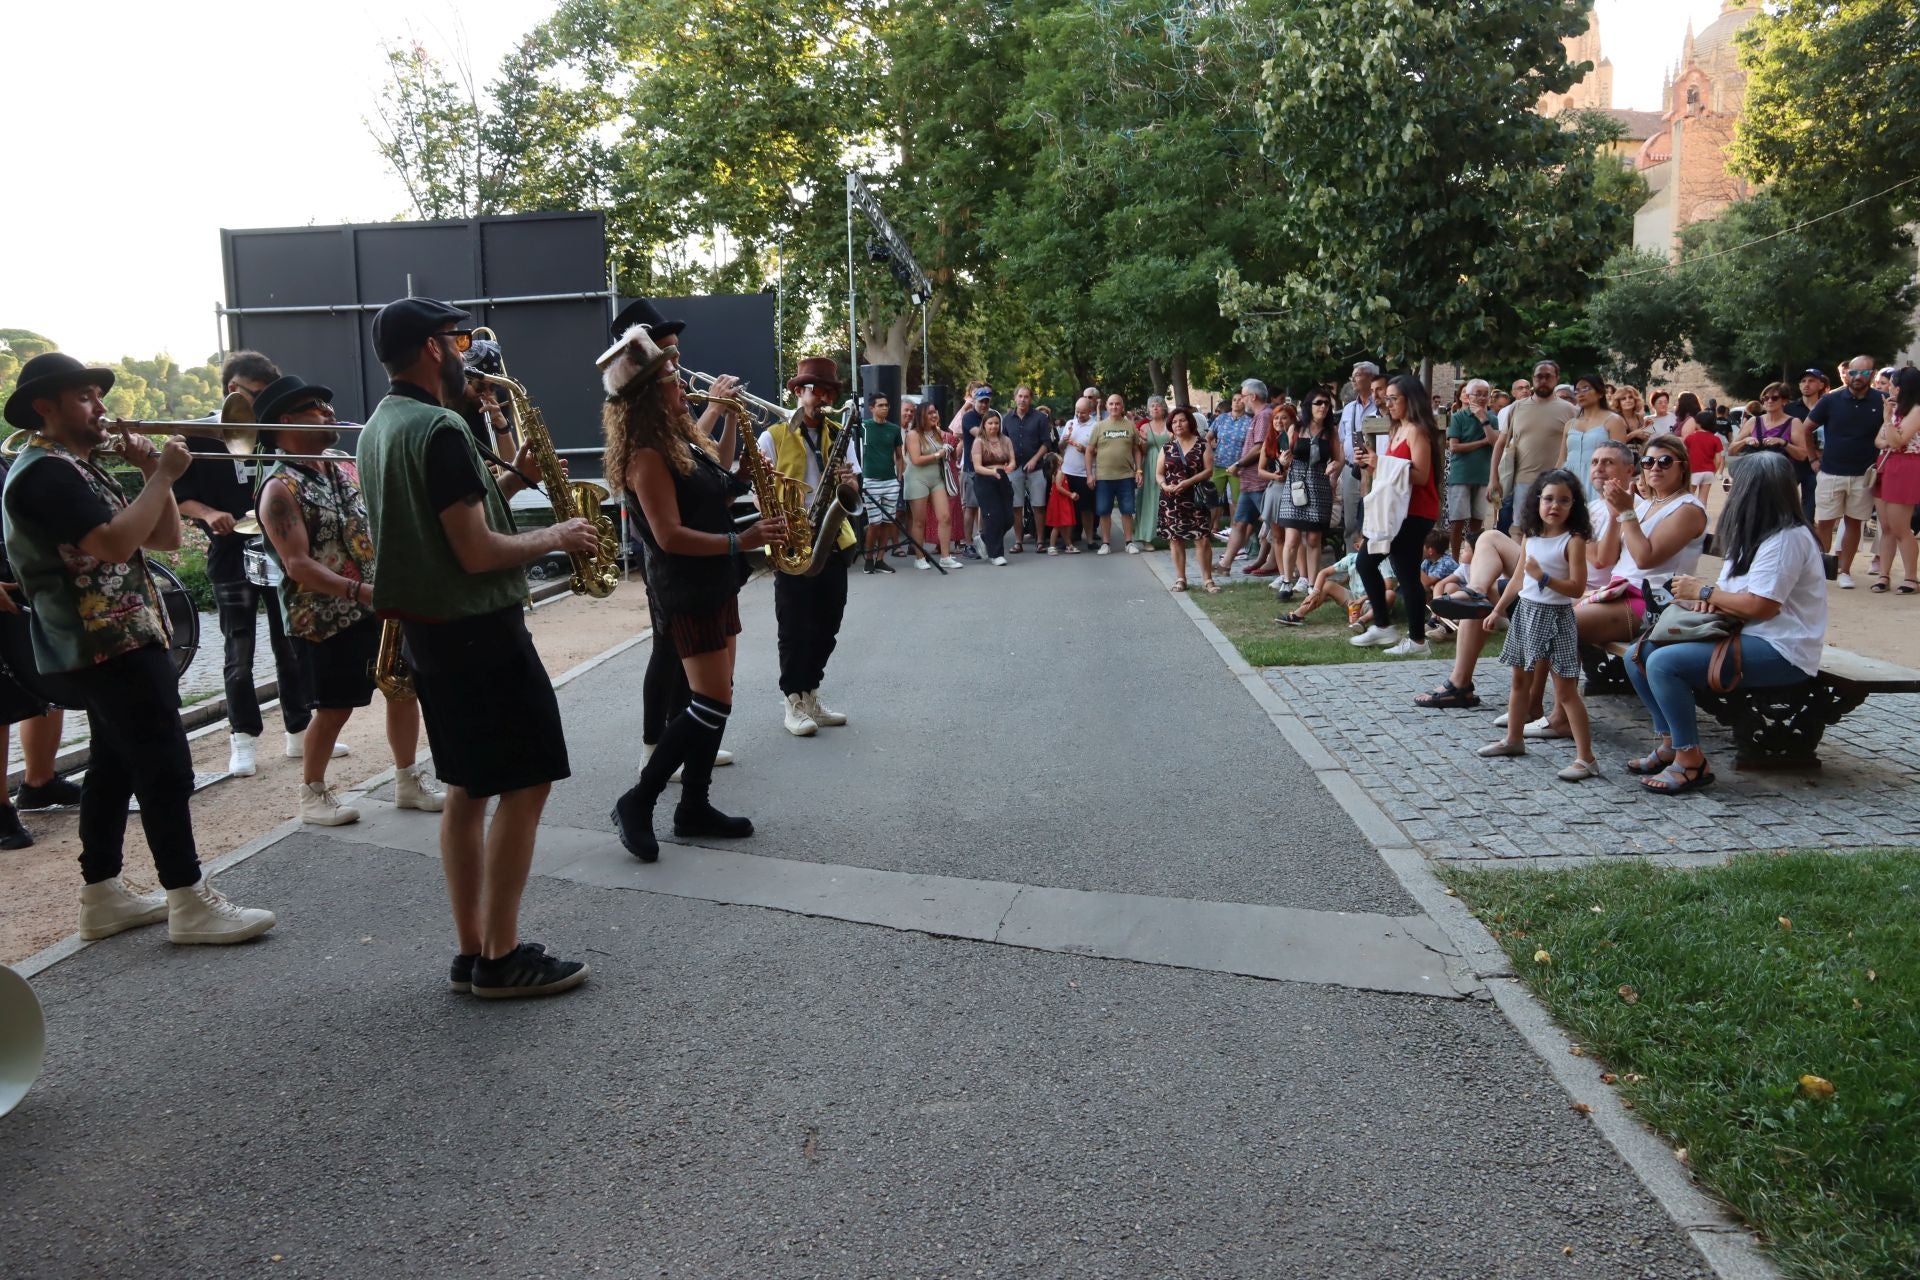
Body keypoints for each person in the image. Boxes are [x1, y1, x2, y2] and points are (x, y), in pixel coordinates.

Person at [357, 296, 600, 998]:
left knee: (467, 788)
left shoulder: (382, 426)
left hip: (433, 637)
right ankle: (501, 957)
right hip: (480, 632)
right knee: (527, 783)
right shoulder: (439, 428)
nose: (464, 349)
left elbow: (442, 522)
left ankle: (473, 951)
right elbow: (474, 550)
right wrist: (557, 535)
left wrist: (514, 480)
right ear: (433, 349)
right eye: (456, 337)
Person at [2, 352, 276, 944]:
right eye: (84, 398)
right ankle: (189, 901)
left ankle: (101, 896)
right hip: (105, 643)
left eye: (98, 396)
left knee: (115, 765)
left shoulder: (77, 466)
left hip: (117, 639)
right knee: (166, 767)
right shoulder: (45, 472)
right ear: (44, 408)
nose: (100, 408)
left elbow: (165, 537)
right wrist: (162, 477)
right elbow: (109, 546)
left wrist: (152, 472)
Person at [606, 326, 783, 861]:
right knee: (709, 701)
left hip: (716, 576)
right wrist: (743, 539)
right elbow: (669, 536)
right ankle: (638, 801)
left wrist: (737, 438)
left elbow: (722, 480)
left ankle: (695, 807)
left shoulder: (677, 438)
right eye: (670, 377)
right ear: (647, 395)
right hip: (689, 584)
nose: (681, 383)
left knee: (717, 697)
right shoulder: (645, 454)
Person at [253, 376, 445, 826]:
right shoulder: (279, 488)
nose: (327, 411)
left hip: (378, 604)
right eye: (315, 406)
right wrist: (359, 591)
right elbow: (297, 564)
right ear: (286, 420)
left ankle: (406, 780)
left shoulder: (343, 464)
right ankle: (312, 794)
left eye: (325, 404)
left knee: (402, 689)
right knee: (334, 707)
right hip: (324, 616)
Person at [1625, 452, 1828, 795]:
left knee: (1663, 663)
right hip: (1744, 634)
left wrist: (1704, 590)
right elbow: (1735, 595)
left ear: (1754, 491)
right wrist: (1708, 598)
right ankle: (1672, 742)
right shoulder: (1755, 534)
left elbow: (1762, 606)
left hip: (1782, 648)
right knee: (1639, 654)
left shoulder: (1786, 539)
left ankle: (1692, 762)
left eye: (1733, 485)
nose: (1729, 491)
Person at [607, 297, 741, 776]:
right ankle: (654, 743)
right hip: (676, 565)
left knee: (696, 666)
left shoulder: (670, 410)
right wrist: (713, 413)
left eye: (676, 355)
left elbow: (706, 466)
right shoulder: (642, 417)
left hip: (706, 564)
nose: (678, 365)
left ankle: (686, 737)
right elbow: (677, 462)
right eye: (669, 355)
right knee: (668, 648)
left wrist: (727, 418)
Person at [171, 349, 319, 778]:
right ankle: (243, 740)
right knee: (239, 651)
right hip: (229, 552)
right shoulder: (198, 436)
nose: (265, 403)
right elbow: (180, 497)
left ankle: (298, 731)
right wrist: (207, 513)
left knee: (290, 645)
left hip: (274, 548)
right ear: (234, 391)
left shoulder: (270, 429)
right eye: (257, 395)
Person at [758, 356, 858, 735]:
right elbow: (759, 493)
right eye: (812, 389)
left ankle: (811, 692)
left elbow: (854, 491)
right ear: (797, 393)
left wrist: (848, 482)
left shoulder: (840, 433)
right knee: (795, 625)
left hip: (831, 537)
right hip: (792, 541)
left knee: (828, 623)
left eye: (827, 391)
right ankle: (793, 701)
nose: (820, 397)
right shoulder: (773, 436)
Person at [1478, 470, 1598, 781]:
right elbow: (1518, 579)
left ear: (1574, 506)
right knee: (1519, 681)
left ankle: (1586, 758)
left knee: (1566, 690)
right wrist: (1499, 609)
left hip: (1556, 617)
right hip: (1526, 613)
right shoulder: (1531, 535)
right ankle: (1514, 739)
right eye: (1548, 499)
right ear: (1537, 501)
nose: (1554, 506)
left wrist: (1543, 577)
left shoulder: (1573, 541)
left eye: (1564, 500)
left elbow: (1576, 587)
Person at [1350, 375, 1441, 655]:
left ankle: (1413, 640)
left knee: (1405, 573)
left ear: (1409, 400)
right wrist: (1369, 463)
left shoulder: (1417, 430)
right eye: (1386, 398)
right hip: (1396, 512)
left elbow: (1422, 475)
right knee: (1367, 564)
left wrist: (1380, 462)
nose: (1387, 403)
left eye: (1393, 398)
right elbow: (1392, 473)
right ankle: (1385, 626)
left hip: (1416, 512)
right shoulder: (1397, 429)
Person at [1810, 356, 1888, 588]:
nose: (1857, 378)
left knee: (1854, 523)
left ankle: (1844, 570)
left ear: (1872, 374)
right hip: (1831, 470)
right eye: (1853, 373)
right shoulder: (1831, 399)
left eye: (1863, 373)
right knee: (1824, 521)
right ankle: (1824, 567)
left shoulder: (1882, 401)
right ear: (1848, 374)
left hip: (1863, 474)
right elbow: (1807, 428)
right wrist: (1813, 458)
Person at [1270, 389, 1341, 593]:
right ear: (1309, 405)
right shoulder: (1296, 428)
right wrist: (1282, 462)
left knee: (1313, 539)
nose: (1323, 407)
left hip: (1319, 485)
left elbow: (1338, 458)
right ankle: (1286, 581)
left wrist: (1334, 467)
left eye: (1327, 404)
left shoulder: (1331, 432)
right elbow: (1284, 459)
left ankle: (1311, 584)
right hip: (1296, 485)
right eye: (1319, 403)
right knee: (1291, 537)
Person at [1490, 360, 1574, 532]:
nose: (1543, 380)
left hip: (1557, 482)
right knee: (1522, 531)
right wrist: (1493, 479)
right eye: (1539, 377)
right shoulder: (1517, 408)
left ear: (1556, 378)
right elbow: (1500, 444)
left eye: (1548, 376)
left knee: (1555, 530)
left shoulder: (1569, 410)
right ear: (1533, 379)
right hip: (1523, 483)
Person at [1277, 530, 1394, 627]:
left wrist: (1362, 599)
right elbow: (1323, 573)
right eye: (1367, 542)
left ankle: (1362, 621)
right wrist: (1315, 592)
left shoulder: (1382, 560)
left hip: (1374, 602)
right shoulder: (1351, 559)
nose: (1371, 544)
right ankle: (1298, 614)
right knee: (1327, 585)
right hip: (1354, 602)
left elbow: (1388, 586)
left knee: (1389, 594)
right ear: (1358, 547)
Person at [1871, 367, 1920, 593]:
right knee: (1886, 526)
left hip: (1906, 465)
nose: (1888, 387)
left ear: (1900, 387)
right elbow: (1879, 442)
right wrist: (1889, 430)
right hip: (1886, 465)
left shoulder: (1916, 410)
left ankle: (1911, 577)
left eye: (1891, 383)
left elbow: (1898, 441)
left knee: (1901, 527)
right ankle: (1884, 574)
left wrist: (1888, 425)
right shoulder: (1894, 410)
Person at [1157, 406, 1216, 592]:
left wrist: (1189, 482)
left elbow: (1208, 471)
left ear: (1190, 422)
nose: (1178, 424)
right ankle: (1180, 578)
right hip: (1172, 499)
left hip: (1196, 497)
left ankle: (1208, 580)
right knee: (1175, 539)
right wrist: (1165, 485)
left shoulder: (1202, 444)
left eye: (1181, 420)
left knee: (1202, 538)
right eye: (1174, 422)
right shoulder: (1167, 447)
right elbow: (1159, 474)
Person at [1219, 379, 1274, 572]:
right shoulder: (1257, 416)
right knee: (1239, 523)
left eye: (1243, 396)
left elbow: (1259, 448)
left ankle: (1275, 565)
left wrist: (1238, 464)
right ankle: (1225, 564)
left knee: (1273, 525)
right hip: (1249, 483)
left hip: (1260, 482)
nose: (1241, 401)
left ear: (1253, 397)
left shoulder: (1264, 416)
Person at [904, 401, 963, 570]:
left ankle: (945, 556)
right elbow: (916, 460)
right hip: (917, 479)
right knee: (919, 521)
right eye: (930, 413)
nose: (934, 415)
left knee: (945, 517)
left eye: (935, 412)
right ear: (921, 415)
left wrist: (948, 450)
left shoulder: (937, 432)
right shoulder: (913, 434)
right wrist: (939, 453)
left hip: (936, 479)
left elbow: (953, 442)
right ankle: (919, 557)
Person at [1445, 379, 1497, 559]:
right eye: (1478, 394)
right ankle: (1454, 559)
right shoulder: (1458, 417)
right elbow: (1454, 447)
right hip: (1461, 475)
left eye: (1485, 394)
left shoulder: (1492, 418)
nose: (1482, 398)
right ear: (1468, 396)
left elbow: (1496, 442)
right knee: (1457, 520)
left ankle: (1472, 556)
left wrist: (1483, 419)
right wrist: (1483, 442)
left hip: (1483, 475)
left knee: (1477, 520)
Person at [1089, 393, 1145, 555]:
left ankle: (1129, 542)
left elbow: (1137, 450)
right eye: (1111, 404)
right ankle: (1106, 543)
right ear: (1106, 406)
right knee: (1104, 511)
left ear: (1122, 406)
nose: (1114, 407)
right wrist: (1089, 475)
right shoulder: (1099, 426)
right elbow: (1089, 451)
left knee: (1127, 510)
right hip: (1103, 477)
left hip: (1126, 476)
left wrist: (1139, 470)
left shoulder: (1130, 426)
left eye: (1117, 404)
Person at [1000, 385, 1053, 552]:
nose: (1023, 400)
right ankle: (1018, 541)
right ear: (1015, 398)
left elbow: (1047, 443)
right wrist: (1009, 461)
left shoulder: (1040, 418)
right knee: (1016, 506)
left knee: (1039, 505)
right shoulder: (1007, 419)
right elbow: (1004, 443)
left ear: (1031, 399)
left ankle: (1040, 541)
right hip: (1015, 468)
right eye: (1020, 396)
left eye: (1026, 397)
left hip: (1036, 467)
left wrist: (1035, 459)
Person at [1337, 362, 1385, 544]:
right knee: (1349, 522)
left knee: (1372, 517)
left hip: (1374, 468)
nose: (1352, 379)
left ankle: (1371, 565)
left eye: (1357, 375)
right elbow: (1343, 442)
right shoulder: (1349, 408)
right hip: (1350, 470)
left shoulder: (1381, 406)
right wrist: (1337, 471)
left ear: (1371, 378)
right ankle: (1351, 566)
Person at [858, 391, 904, 575]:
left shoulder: (893, 429)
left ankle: (880, 559)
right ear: (871, 408)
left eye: (886, 405)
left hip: (890, 481)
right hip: (871, 481)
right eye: (880, 405)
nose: (885, 408)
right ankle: (868, 558)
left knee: (888, 521)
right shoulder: (864, 426)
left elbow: (900, 456)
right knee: (874, 522)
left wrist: (898, 480)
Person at [970, 410, 1015, 565]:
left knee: (1008, 518)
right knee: (994, 517)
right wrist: (992, 471)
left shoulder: (1006, 440)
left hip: (1002, 478)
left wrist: (1010, 466)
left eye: (996, 423)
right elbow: (977, 467)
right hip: (985, 479)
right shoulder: (979, 441)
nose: (994, 426)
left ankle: (983, 538)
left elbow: (1013, 461)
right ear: (984, 424)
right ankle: (996, 555)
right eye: (990, 423)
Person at [1566, 374, 1628, 485]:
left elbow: (1619, 458)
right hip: (1569, 479)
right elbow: (1562, 458)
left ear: (1600, 393)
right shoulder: (1570, 424)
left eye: (1586, 388)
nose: (1580, 394)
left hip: (1599, 479)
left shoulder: (1614, 421)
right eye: (1577, 391)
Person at [1207, 389, 1252, 540]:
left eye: (1240, 399)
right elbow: (1208, 437)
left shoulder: (1250, 422)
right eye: (1234, 400)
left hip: (1238, 468)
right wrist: (1209, 453)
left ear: (1245, 402)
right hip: (1218, 464)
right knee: (1212, 499)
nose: (1237, 402)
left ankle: (1235, 533)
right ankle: (1206, 531)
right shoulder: (1221, 419)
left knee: (1237, 501)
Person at [1058, 395, 1099, 551]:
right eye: (1077, 411)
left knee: (1086, 509)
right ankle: (1068, 539)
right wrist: (1064, 440)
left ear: (1089, 411)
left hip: (1085, 473)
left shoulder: (1095, 426)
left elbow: (1099, 450)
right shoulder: (1070, 423)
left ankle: (1089, 539)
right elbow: (1060, 447)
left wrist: (1086, 450)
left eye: (1082, 412)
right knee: (1068, 507)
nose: (1079, 415)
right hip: (1068, 471)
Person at [956, 385, 991, 556]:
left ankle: (982, 539)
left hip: (988, 469)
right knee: (970, 507)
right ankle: (967, 543)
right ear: (974, 401)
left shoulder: (991, 417)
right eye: (981, 401)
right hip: (971, 469)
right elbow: (981, 434)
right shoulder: (969, 417)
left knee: (985, 507)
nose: (983, 405)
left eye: (986, 402)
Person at [1134, 396, 1173, 546]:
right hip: (1150, 465)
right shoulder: (1144, 427)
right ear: (1149, 409)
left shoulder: (1170, 425)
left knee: (1168, 500)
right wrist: (1142, 442)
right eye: (1152, 406)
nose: (1155, 408)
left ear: (1163, 408)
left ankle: (1170, 536)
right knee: (1149, 500)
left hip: (1168, 465)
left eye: (1158, 405)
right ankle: (1147, 538)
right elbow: (1142, 451)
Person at [1680, 410, 1725, 507]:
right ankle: (1702, 517)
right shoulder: (1716, 439)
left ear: (1698, 423)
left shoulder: (1690, 438)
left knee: (1688, 496)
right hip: (1708, 472)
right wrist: (1713, 470)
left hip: (1693, 471)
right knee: (1703, 499)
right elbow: (1718, 460)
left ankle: (1687, 515)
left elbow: (1684, 454)